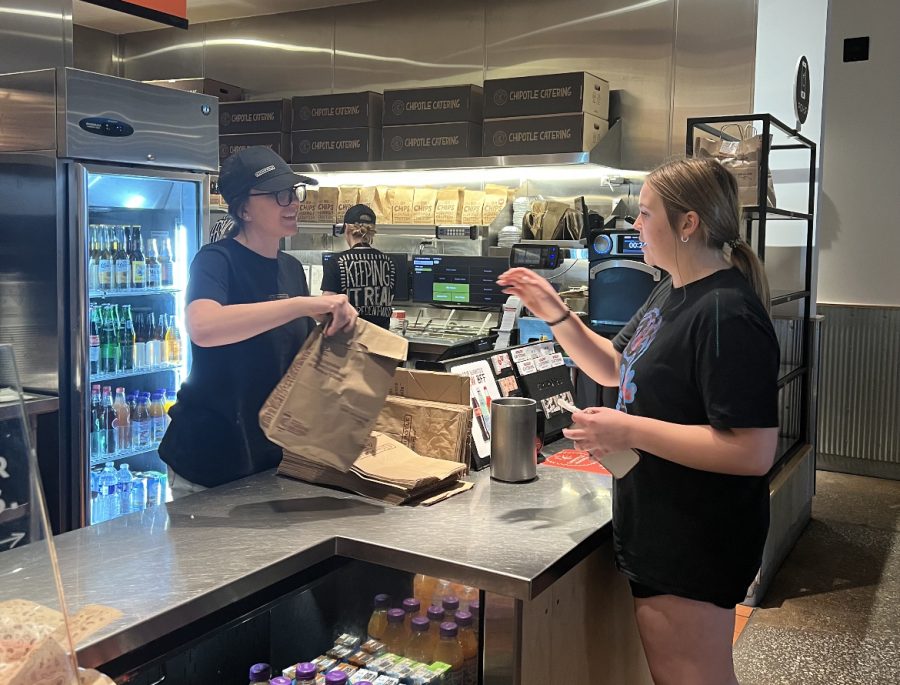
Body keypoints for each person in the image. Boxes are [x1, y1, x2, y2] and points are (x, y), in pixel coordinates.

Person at [497, 157, 779, 685]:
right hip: (659, 522)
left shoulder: (726, 312)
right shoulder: (671, 290)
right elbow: (613, 364)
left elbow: (751, 450)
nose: (635, 226)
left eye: (645, 214)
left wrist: (627, 430)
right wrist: (556, 311)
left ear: (687, 223)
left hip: (697, 535)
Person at [159, 146, 357, 495]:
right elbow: (204, 327)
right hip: (208, 460)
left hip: (267, 459)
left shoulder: (291, 269)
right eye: (280, 195)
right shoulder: (216, 260)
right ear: (244, 208)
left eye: (295, 193)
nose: (294, 203)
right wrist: (299, 305)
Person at [320, 204, 396, 329]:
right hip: (381, 339)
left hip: (348, 341)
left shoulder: (335, 262)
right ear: (372, 231)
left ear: (345, 229)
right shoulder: (390, 262)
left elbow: (327, 305)